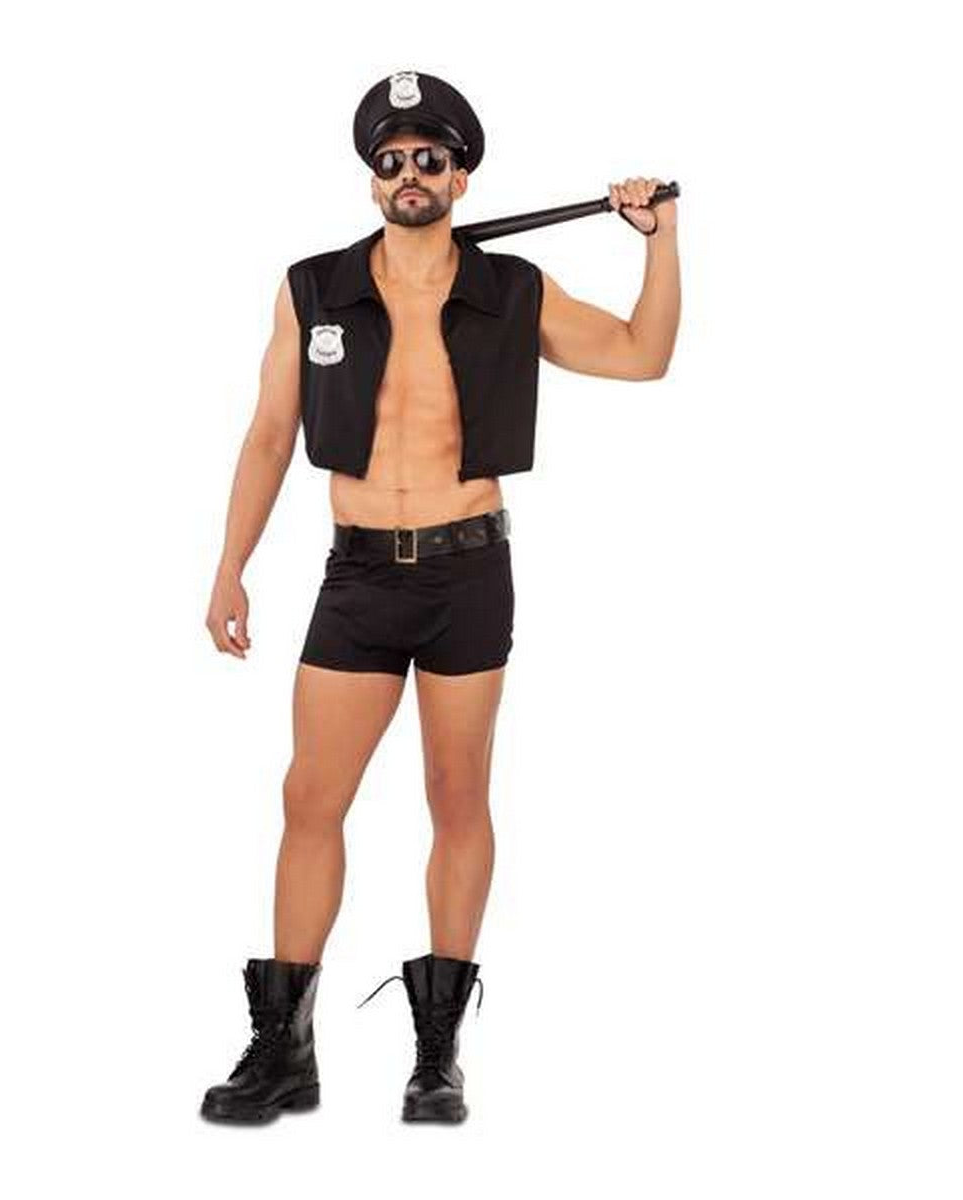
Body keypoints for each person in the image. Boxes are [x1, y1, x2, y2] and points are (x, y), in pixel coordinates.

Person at [200, 69, 680, 1125]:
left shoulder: (513, 289)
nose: (408, 173)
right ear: (373, 179)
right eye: (391, 160)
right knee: (309, 799)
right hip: (357, 574)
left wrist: (659, 240)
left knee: (457, 799)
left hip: (468, 571)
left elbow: (644, 356)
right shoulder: (313, 288)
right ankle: (283, 1048)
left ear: (461, 176)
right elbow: (271, 433)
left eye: (429, 158)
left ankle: (435, 1056)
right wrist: (231, 564)